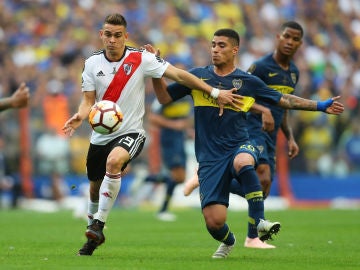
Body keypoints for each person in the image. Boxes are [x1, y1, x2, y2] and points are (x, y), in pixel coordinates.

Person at [149, 28, 344, 258]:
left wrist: (320, 105)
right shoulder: (197, 76)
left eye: (221, 45)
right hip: (210, 157)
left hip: (240, 143)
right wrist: (155, 73)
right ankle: (229, 240)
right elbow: (163, 98)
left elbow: (284, 100)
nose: (215, 49)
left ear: (235, 50)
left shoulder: (247, 81)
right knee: (214, 223)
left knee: (245, 161)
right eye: (213, 45)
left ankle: (259, 223)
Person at [62, 13, 241, 256]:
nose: (112, 40)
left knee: (114, 162)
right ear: (101, 35)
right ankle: (92, 230)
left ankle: (98, 225)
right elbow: (87, 102)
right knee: (94, 187)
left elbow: (179, 75)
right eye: (108, 35)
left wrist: (215, 93)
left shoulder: (141, 58)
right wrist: (80, 116)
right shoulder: (92, 63)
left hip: (132, 131)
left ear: (125, 36)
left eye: (117, 35)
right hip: (100, 135)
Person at [184, 21, 303, 200]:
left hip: (272, 133)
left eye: (295, 39)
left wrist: (290, 136)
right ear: (278, 37)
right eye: (287, 36)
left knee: (263, 190)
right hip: (253, 127)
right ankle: (209, 177)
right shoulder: (261, 66)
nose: (290, 42)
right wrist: (263, 110)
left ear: (300, 44)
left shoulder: (294, 72)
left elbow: (283, 106)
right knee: (261, 173)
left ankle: (207, 178)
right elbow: (240, 93)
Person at [136, 95, 194, 222]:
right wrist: (174, 124)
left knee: (180, 178)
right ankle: (163, 210)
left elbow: (187, 119)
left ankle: (147, 179)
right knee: (177, 176)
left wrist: (188, 128)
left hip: (181, 138)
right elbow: (152, 118)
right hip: (169, 139)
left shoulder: (188, 96)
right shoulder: (166, 96)